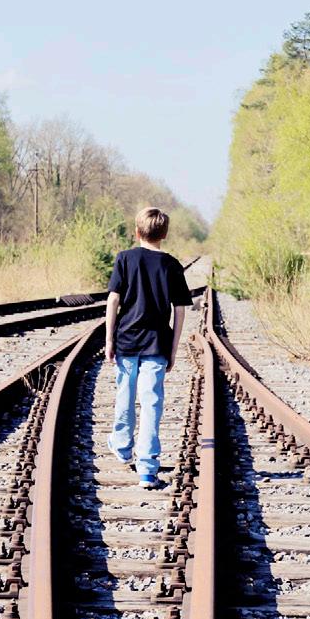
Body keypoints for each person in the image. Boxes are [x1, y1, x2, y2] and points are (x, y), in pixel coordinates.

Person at [105, 206, 192, 488]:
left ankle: (122, 447)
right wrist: (173, 349)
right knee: (151, 402)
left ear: (137, 232)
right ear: (164, 234)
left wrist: (109, 339)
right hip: (157, 344)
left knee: (125, 395)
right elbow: (180, 310)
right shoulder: (171, 264)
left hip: (127, 341)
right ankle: (147, 468)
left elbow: (113, 301)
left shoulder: (125, 259)